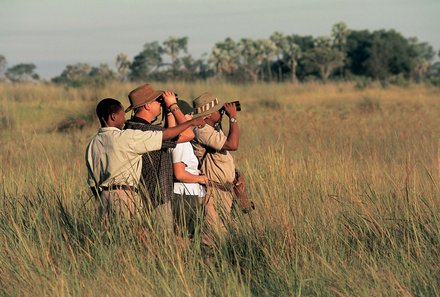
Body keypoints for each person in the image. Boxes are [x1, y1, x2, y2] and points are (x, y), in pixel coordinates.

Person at [85, 97, 207, 220]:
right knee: (132, 236)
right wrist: (188, 120)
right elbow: (168, 135)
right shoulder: (126, 137)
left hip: (103, 197)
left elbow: (92, 183)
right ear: (113, 117)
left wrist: (102, 199)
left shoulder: (93, 143)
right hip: (125, 195)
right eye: (122, 115)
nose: (124, 120)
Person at [123, 84, 195, 225]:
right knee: (162, 242)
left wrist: (168, 113)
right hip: (157, 198)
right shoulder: (149, 132)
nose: (160, 104)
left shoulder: (130, 127)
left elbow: (169, 132)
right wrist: (174, 106)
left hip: (137, 197)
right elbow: (188, 133)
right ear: (148, 106)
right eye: (158, 101)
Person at [191, 92, 243, 247]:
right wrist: (232, 118)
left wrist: (237, 175)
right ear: (206, 116)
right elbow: (232, 145)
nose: (221, 111)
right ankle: (206, 267)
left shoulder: (213, 128)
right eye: (217, 110)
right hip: (213, 193)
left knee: (228, 235)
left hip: (225, 191)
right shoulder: (202, 130)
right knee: (212, 238)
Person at [168, 100, 209, 238]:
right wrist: (200, 179)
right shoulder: (181, 142)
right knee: (184, 237)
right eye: (188, 114)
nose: (192, 117)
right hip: (185, 195)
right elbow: (179, 173)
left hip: (189, 193)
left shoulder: (182, 140)